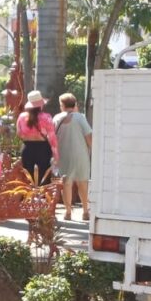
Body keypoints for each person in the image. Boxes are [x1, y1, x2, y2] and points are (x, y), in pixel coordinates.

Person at [55, 93, 93, 221]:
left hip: (63, 155)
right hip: (80, 154)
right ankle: (85, 211)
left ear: (62, 105)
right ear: (74, 104)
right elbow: (89, 137)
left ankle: (68, 212)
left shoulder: (56, 118)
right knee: (83, 183)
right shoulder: (80, 117)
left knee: (66, 183)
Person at [16, 90, 58, 183]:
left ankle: (28, 197)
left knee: (27, 179)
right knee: (43, 178)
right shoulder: (46, 117)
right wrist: (56, 155)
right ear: (40, 105)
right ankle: (42, 197)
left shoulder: (22, 117)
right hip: (43, 149)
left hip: (27, 149)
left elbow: (19, 133)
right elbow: (52, 137)